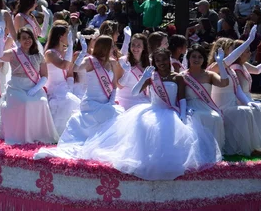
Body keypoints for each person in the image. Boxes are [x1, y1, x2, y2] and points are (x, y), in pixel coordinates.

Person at [75, 48, 222, 181]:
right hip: (153, 111)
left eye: (164, 59)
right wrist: (143, 78)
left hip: (171, 112)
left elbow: (182, 98)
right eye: (158, 60)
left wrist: (183, 115)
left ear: (169, 59)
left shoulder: (178, 77)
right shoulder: (152, 77)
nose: (161, 63)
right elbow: (134, 92)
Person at [34, 35, 124, 159]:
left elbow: (114, 85)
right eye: (111, 46)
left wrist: (111, 101)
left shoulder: (113, 62)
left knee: (116, 113)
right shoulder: (90, 60)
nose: (113, 48)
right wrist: (82, 53)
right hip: (91, 102)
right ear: (105, 47)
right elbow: (75, 68)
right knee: (111, 114)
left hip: (106, 101)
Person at [0, 27, 58, 144]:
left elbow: (44, 75)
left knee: (42, 102)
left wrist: (36, 88)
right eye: (24, 38)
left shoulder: (39, 55)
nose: (27, 40)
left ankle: (38, 134)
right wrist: (0, 39)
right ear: (19, 40)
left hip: (34, 87)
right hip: (16, 87)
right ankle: (22, 136)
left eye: (29, 37)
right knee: (24, 102)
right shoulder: (13, 53)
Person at [208, 32, 261, 156]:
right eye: (232, 48)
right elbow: (227, 61)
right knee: (243, 113)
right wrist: (248, 41)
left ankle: (252, 147)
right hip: (221, 106)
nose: (235, 51)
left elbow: (238, 90)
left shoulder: (230, 70)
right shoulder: (215, 66)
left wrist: (248, 102)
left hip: (232, 104)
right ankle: (241, 149)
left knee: (253, 110)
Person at [182, 44, 229, 151]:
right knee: (197, 117)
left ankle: (214, 150)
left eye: (200, 57)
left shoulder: (209, 75)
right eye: (194, 56)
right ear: (189, 58)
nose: (196, 59)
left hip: (206, 106)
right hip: (190, 107)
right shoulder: (182, 76)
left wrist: (220, 63)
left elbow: (224, 83)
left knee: (215, 118)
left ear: (204, 59)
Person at [43, 24, 81, 135]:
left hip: (64, 88)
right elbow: (64, 65)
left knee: (73, 101)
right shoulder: (50, 53)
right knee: (67, 102)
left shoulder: (65, 52)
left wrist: (70, 87)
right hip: (53, 89)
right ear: (60, 37)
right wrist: (70, 48)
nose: (70, 37)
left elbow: (70, 71)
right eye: (67, 35)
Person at [115, 32, 151, 110]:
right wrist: (127, 72)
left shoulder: (150, 62)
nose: (135, 48)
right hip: (126, 100)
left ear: (144, 47)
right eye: (133, 45)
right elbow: (119, 86)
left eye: (138, 46)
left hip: (144, 99)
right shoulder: (123, 60)